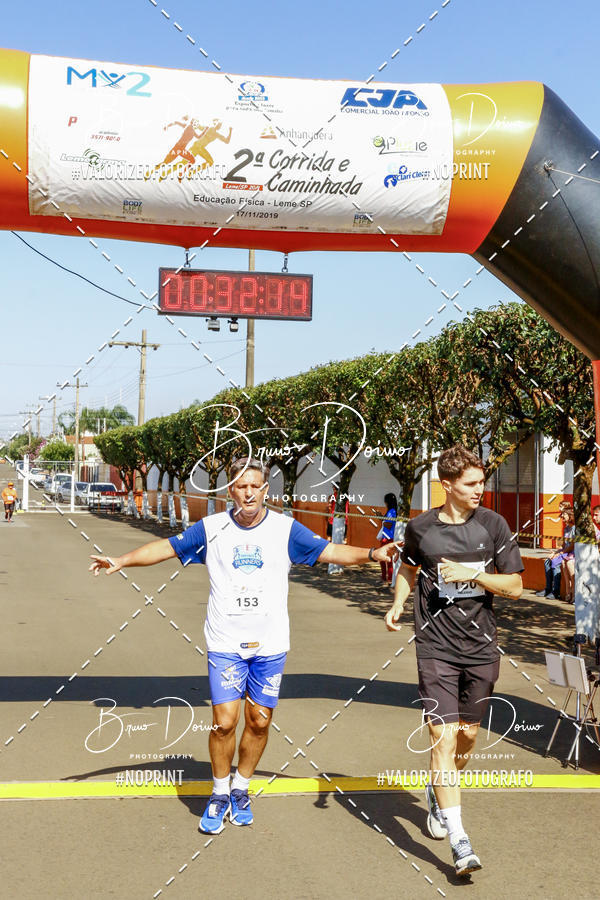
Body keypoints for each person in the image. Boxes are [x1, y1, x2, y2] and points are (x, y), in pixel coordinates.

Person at [89, 456, 396, 835]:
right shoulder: (211, 527)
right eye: (241, 486)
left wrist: (370, 554)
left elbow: (330, 552)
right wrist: (121, 560)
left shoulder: (286, 530)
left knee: (259, 720)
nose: (248, 492)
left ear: (265, 490)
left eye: (256, 486)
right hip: (225, 643)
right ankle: (219, 792)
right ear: (230, 490)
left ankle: (241, 788)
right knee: (223, 723)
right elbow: (166, 548)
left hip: (270, 646)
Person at [384, 444, 523, 877]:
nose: (481, 489)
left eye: (482, 482)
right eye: (472, 483)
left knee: (466, 739)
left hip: (481, 648)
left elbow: (516, 586)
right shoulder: (420, 528)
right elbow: (408, 569)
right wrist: (398, 604)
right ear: (446, 485)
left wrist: (475, 575)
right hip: (435, 647)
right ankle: (460, 841)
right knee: (442, 739)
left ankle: (436, 788)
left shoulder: (494, 525)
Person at [535, 503, 574, 600]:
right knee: (547, 561)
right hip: (565, 552)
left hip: (571, 553)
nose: (562, 516)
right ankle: (548, 588)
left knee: (555, 563)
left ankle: (555, 591)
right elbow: (564, 545)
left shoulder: (574, 529)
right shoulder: (566, 529)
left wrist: (560, 553)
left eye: (564, 514)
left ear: (570, 516)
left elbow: (572, 546)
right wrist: (556, 552)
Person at [377, 493, 397, 587]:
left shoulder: (392, 511)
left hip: (388, 538)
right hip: (386, 537)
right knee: (383, 558)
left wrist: (383, 520)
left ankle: (388, 578)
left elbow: (388, 525)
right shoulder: (391, 511)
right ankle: (385, 577)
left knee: (387, 559)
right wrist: (382, 517)